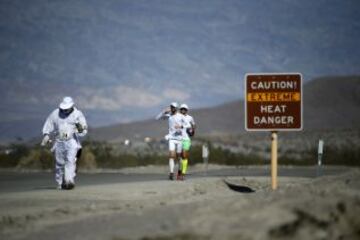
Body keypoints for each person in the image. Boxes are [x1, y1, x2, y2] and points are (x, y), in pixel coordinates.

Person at [41, 96, 88, 190]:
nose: (65, 111)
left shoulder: (77, 114)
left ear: (72, 106)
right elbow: (49, 123)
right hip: (59, 141)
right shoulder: (56, 113)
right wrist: (46, 134)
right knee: (59, 163)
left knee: (70, 161)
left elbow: (83, 131)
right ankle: (60, 182)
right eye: (64, 109)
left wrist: (79, 127)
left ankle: (69, 181)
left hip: (71, 141)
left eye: (67, 109)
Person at [156, 102, 189, 180]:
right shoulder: (169, 116)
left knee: (178, 156)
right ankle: (171, 173)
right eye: (171, 107)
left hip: (180, 139)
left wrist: (181, 126)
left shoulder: (181, 116)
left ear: (176, 108)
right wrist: (164, 111)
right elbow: (157, 118)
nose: (172, 108)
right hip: (171, 138)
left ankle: (180, 171)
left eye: (174, 107)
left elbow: (188, 125)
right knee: (171, 155)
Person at [178, 104, 196, 180]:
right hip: (178, 139)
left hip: (186, 139)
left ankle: (183, 173)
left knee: (184, 156)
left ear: (187, 110)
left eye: (184, 109)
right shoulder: (177, 117)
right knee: (180, 157)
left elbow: (194, 125)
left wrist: (192, 131)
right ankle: (179, 170)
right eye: (182, 109)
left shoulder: (190, 118)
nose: (183, 110)